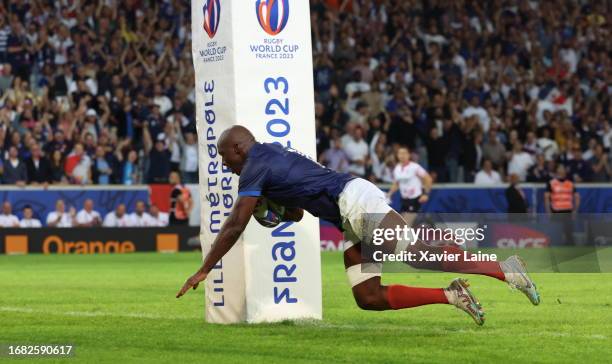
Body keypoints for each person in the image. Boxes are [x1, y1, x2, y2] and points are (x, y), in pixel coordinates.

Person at [176, 126, 541, 326]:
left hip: (353, 201)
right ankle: (452, 295)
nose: (226, 166)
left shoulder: (255, 164)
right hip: (348, 212)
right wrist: (278, 212)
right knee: (368, 297)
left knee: (419, 256)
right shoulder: (271, 153)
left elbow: (233, 226)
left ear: (239, 148)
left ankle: (504, 270)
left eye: (225, 158)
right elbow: (299, 213)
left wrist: (204, 268)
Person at [386, 147, 432, 216]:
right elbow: (396, 183)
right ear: (397, 155)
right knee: (403, 223)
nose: (402, 155)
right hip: (404, 200)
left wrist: (426, 194)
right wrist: (389, 193)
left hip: (415, 199)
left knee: (407, 222)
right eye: (400, 153)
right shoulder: (397, 168)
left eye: (404, 153)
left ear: (409, 155)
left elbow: (428, 179)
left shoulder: (415, 167)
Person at [544, 165, 579, 246]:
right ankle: (553, 250)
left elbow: (577, 197)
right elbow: (546, 197)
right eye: (560, 168)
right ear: (556, 171)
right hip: (556, 212)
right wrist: (548, 211)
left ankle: (570, 252)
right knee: (554, 233)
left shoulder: (570, 183)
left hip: (568, 212)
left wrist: (575, 211)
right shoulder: (551, 183)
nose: (562, 170)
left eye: (563, 168)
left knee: (569, 233)